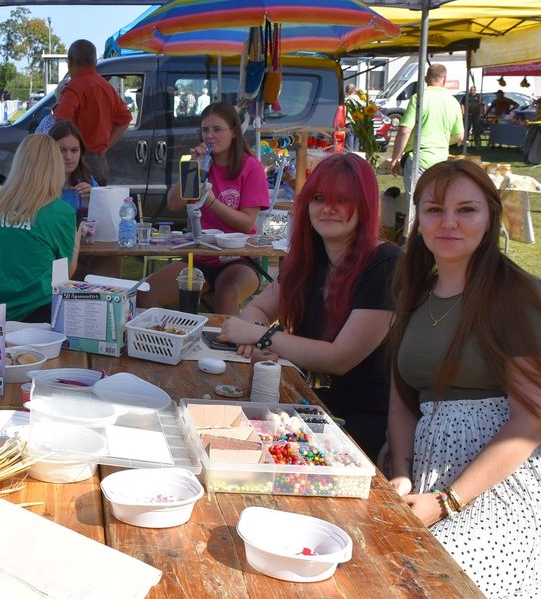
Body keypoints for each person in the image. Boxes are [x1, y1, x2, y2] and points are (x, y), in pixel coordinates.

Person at [364, 159, 541, 599]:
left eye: (466, 209)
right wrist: (401, 469)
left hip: (520, 494)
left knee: (417, 585)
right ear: (418, 222)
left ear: (491, 218)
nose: (449, 222)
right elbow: (404, 398)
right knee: (366, 568)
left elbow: (533, 420)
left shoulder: (520, 297)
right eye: (435, 210)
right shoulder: (415, 292)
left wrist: (448, 502)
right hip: (430, 478)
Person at [218, 153, 400, 462]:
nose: (328, 208)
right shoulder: (309, 258)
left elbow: (338, 358)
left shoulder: (386, 263)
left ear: (365, 205)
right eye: (319, 198)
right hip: (308, 404)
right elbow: (257, 311)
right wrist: (258, 336)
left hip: (364, 423)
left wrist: (261, 338)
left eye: (343, 199)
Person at [136, 102, 269, 315]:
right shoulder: (199, 164)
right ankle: (163, 343)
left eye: (217, 129)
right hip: (199, 257)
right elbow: (173, 204)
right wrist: (192, 168)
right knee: (146, 292)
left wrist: (212, 202)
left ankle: (230, 346)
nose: (210, 136)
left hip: (239, 258)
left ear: (234, 132)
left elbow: (247, 223)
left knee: (226, 294)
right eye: (205, 130)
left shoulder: (250, 166)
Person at [0, 134, 82, 323]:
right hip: (38, 318)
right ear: (55, 168)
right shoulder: (61, 213)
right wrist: (77, 239)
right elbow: (63, 276)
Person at [48, 120, 123, 280]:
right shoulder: (43, 186)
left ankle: (99, 302)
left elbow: (107, 228)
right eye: (62, 150)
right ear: (51, 152)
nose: (69, 157)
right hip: (54, 257)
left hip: (87, 253)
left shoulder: (88, 181)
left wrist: (95, 200)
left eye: (74, 150)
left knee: (110, 260)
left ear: (81, 152)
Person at [53, 39, 132, 184]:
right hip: (100, 162)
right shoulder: (106, 87)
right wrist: (105, 145)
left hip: (80, 163)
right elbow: (125, 119)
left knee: (77, 205)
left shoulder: (73, 88)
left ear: (70, 62)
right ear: (95, 62)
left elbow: (60, 124)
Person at [386, 63, 464, 198]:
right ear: (445, 80)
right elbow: (459, 136)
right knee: (436, 202)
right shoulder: (454, 102)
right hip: (441, 160)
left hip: (418, 159)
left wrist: (395, 158)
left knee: (415, 204)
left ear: (426, 78)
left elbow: (404, 131)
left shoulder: (419, 97)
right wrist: (442, 141)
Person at [341, 82, 359, 152]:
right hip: (358, 123)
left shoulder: (346, 100)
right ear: (354, 90)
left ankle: (350, 158)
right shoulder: (358, 99)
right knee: (356, 143)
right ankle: (356, 158)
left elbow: (344, 112)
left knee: (349, 142)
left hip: (349, 122)